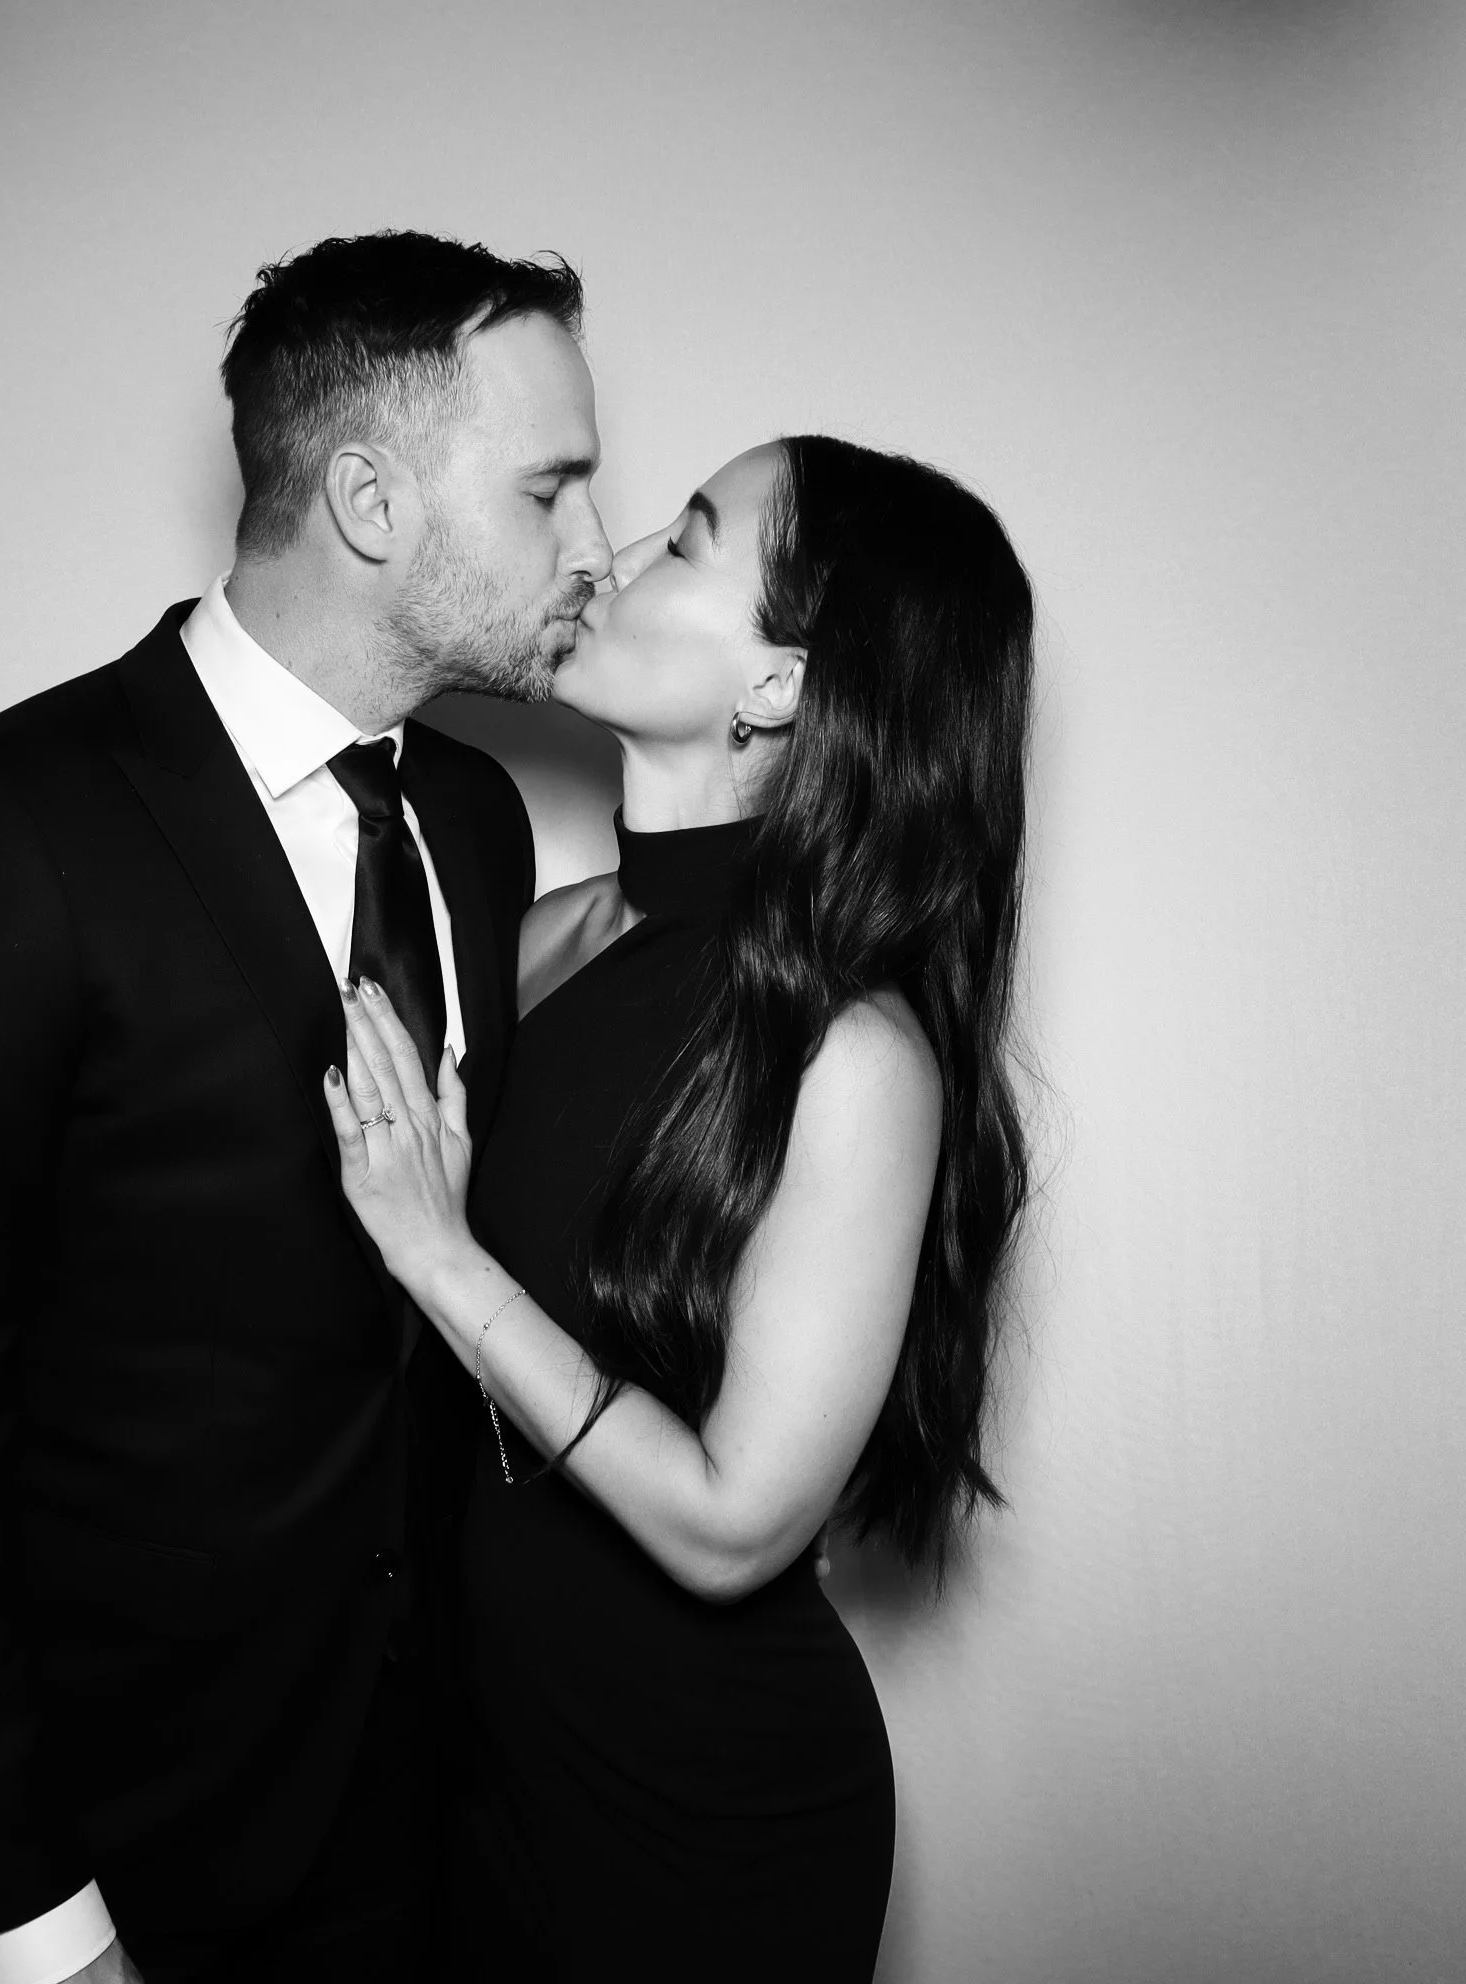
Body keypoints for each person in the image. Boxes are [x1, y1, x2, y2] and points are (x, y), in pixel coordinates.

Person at [0, 231, 612, 1984]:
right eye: (552, 492)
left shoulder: (476, 822)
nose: (592, 554)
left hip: (445, 1824)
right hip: (121, 1862)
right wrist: (26, 1931)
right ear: (369, 500)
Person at [325, 434, 1035, 1978]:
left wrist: (444, 1263)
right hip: (484, 1774)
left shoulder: (854, 1050)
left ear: (777, 685)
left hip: (707, 1818)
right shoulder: (533, 936)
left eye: (691, 539)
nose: (620, 548)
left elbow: (730, 1526)